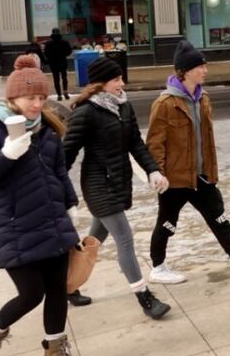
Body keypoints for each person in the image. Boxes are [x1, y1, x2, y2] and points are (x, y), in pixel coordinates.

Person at [0, 55, 79, 356]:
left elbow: (58, 171)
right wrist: (7, 154)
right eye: (30, 97)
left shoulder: (47, 128)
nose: (37, 104)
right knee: (31, 294)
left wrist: (71, 204)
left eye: (42, 97)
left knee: (57, 291)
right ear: (13, 96)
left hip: (53, 222)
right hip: (16, 228)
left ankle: (55, 348)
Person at [146, 41, 230, 284]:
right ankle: (157, 267)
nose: (205, 70)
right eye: (200, 66)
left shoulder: (203, 99)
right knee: (167, 223)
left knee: (219, 217)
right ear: (185, 71)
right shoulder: (165, 104)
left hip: (200, 175)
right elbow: (154, 143)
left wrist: (211, 171)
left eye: (204, 65)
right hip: (175, 178)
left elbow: (207, 141)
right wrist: (156, 173)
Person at [63, 56, 172, 319]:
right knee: (124, 238)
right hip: (98, 185)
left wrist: (153, 170)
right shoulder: (86, 112)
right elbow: (65, 156)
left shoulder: (123, 106)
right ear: (100, 84)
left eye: (121, 78)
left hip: (118, 182)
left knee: (93, 241)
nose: (121, 83)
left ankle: (67, 285)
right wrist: (59, 193)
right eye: (116, 79)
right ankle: (144, 297)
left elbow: (135, 142)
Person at [44, 29, 73, 101]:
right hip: (62, 61)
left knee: (56, 79)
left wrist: (50, 58)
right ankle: (65, 91)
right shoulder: (64, 42)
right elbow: (69, 51)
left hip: (53, 63)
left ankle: (59, 95)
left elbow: (46, 53)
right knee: (64, 77)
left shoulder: (48, 43)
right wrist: (64, 55)